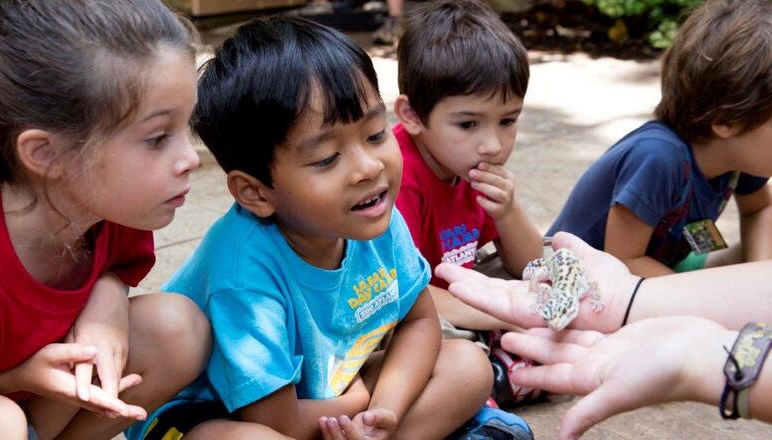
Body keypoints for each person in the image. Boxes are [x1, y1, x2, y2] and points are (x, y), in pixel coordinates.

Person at [126, 16, 534, 440]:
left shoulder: (375, 217)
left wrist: (384, 413)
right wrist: (358, 403)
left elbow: (418, 324)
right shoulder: (243, 273)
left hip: (329, 391)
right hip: (212, 414)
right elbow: (274, 422)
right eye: (326, 159)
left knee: (467, 365)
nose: (368, 167)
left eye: (375, 135)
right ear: (256, 193)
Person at [0, 1, 211, 439]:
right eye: (158, 137)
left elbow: (118, 265)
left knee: (177, 329)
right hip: (1, 404)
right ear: (46, 154)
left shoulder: (114, 206)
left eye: (187, 127)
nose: (189, 160)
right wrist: (17, 378)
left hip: (44, 400)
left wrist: (107, 305)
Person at [436, 231, 772, 439]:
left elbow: (588, 288)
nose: (558, 322)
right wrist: (627, 299)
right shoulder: (560, 297)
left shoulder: (577, 294)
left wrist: (616, 300)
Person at [547, 0, 772, 278]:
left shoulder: (740, 158)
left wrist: (759, 275)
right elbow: (624, 261)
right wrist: (705, 297)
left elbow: (759, 210)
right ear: (726, 121)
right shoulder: (659, 158)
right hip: (583, 280)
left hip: (659, 271)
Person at [394, 0, 542, 333]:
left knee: (560, 268)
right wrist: (510, 318)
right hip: (412, 309)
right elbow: (401, 294)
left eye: (507, 121)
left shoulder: (467, 165)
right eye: (468, 124)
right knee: (442, 341)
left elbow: (531, 265)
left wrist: (507, 212)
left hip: (459, 292)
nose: (493, 145)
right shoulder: (397, 176)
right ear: (412, 116)